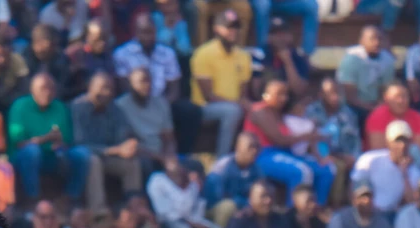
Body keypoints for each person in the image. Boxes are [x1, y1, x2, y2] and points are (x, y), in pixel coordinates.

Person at [245, 79, 334, 205]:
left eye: (285, 94)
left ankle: (317, 209)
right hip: (263, 155)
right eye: (279, 94)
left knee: (326, 170)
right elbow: (279, 139)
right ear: (266, 94)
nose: (283, 98)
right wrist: (307, 136)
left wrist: (317, 153)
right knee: (301, 172)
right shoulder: (259, 111)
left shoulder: (281, 114)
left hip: (285, 153)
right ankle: (294, 215)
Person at [8, 73, 90, 203]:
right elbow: (19, 143)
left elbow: (68, 141)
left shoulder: (60, 107)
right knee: (32, 152)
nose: (47, 92)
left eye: (51, 89)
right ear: (32, 90)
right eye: (43, 88)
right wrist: (46, 138)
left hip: (53, 156)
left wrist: (60, 143)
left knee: (82, 154)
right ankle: (33, 199)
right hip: (25, 157)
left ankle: (69, 199)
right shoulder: (20, 106)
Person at [72, 70, 142, 212]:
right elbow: (79, 144)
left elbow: (122, 136)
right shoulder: (77, 107)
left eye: (110, 89)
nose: (107, 92)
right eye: (103, 87)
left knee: (132, 163)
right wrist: (117, 150)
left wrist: (129, 145)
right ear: (90, 88)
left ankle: (134, 207)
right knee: (93, 160)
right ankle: (98, 210)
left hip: (108, 156)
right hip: (80, 157)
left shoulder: (115, 108)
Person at [188, 10, 251, 159]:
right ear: (216, 28)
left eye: (236, 27)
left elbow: (243, 93)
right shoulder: (204, 53)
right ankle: (221, 160)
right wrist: (238, 104)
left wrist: (247, 104)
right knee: (232, 111)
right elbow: (208, 96)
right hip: (203, 108)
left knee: (257, 110)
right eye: (229, 27)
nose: (233, 31)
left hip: (233, 105)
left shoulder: (243, 56)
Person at [146, 157, 210, 228]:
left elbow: (196, 209)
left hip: (188, 220)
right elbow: (163, 211)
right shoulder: (158, 180)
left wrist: (198, 223)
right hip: (164, 220)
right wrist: (190, 222)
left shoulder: (193, 185)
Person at [351, 121, 420, 215]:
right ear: (388, 142)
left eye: (405, 140)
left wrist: (404, 174)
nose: (402, 145)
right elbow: (354, 187)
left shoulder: (413, 171)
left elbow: (412, 202)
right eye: (398, 141)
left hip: (392, 215)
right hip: (368, 212)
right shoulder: (370, 160)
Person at [336, 26, 396, 129]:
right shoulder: (351, 59)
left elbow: (386, 90)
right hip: (353, 106)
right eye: (372, 39)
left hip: (376, 105)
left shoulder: (388, 60)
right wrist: (370, 109)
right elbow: (350, 97)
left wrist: (378, 107)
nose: (376, 43)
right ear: (362, 41)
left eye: (379, 39)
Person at [115, 66, 175, 165]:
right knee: (144, 165)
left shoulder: (161, 103)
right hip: (139, 154)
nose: (147, 85)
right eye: (142, 81)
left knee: (194, 165)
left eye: (149, 81)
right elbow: (128, 142)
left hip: (161, 153)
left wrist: (170, 157)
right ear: (131, 83)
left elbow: (169, 138)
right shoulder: (120, 106)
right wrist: (161, 158)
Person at [204, 131, 262, 228]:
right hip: (213, 210)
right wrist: (243, 205)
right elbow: (217, 197)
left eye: (257, 147)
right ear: (238, 148)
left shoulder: (256, 169)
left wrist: (248, 206)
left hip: (243, 208)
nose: (254, 151)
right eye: (251, 147)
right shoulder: (223, 166)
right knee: (228, 207)